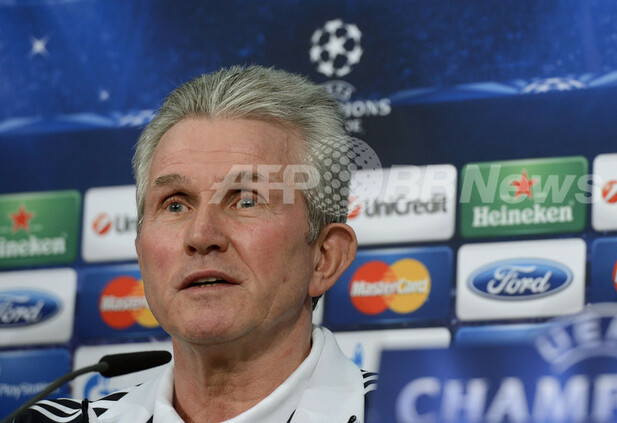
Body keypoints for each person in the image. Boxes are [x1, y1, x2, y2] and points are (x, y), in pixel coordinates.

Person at [18, 66, 375, 423]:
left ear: (324, 257)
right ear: (141, 254)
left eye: (245, 200)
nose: (201, 236)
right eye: (175, 205)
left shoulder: (399, 411)